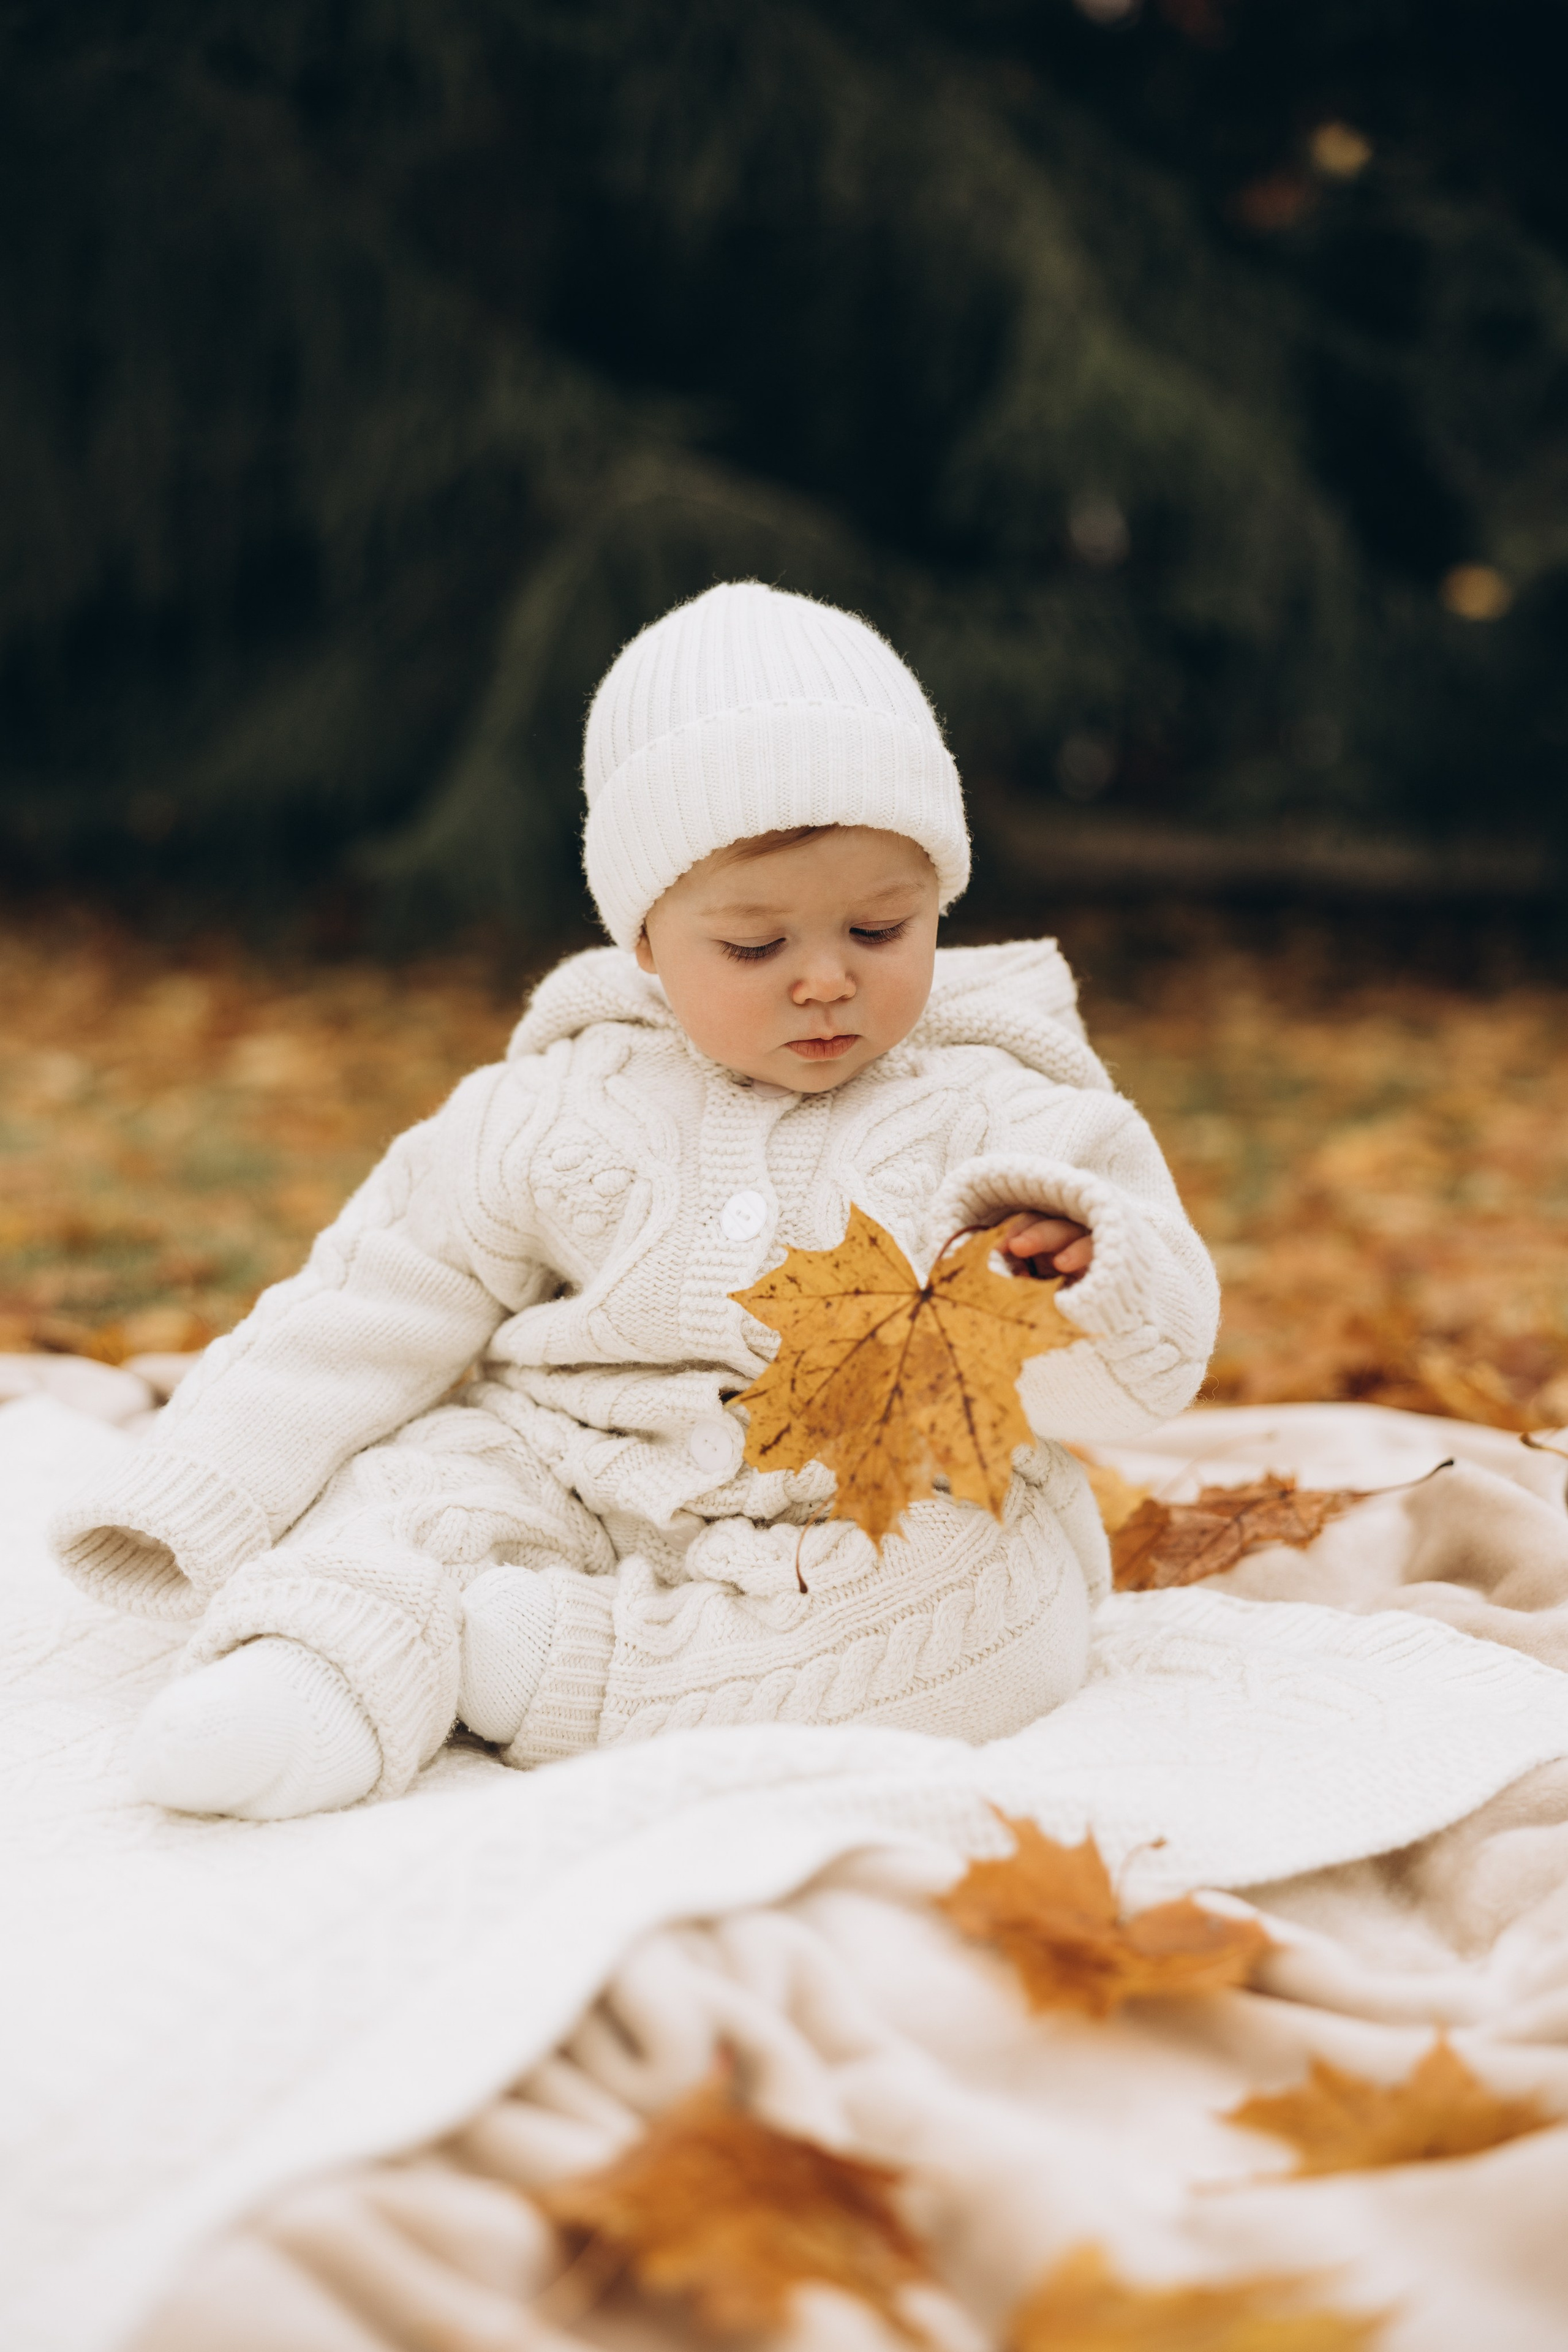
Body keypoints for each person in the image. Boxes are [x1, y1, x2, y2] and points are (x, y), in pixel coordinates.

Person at [50, 582, 1218, 1820]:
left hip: (859, 1504)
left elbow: (1138, 1380)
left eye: (881, 928)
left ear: (939, 899)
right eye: (755, 948)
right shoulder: (559, 1099)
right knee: (410, 1492)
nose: (826, 979)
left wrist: (1076, 1280)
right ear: (646, 943)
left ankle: (523, 1661)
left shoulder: (998, 1104)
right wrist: (203, 1485)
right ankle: (314, 1672)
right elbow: (372, 1297)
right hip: (568, 1463)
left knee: (993, 1608)